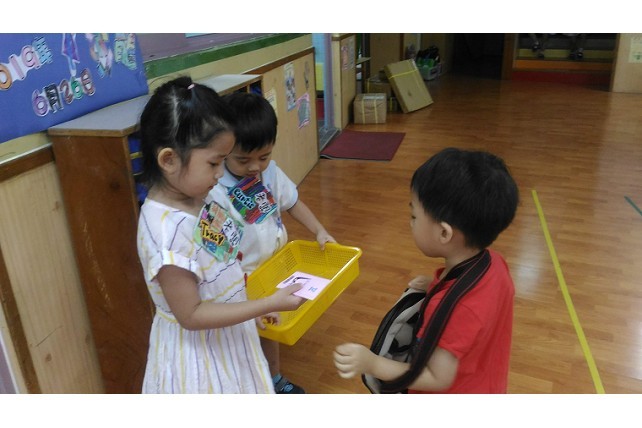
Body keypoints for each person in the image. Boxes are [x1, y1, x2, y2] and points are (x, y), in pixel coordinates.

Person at [136, 76, 305, 393]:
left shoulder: (198, 198)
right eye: (214, 163)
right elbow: (192, 314)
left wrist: (246, 307)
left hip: (227, 334)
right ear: (169, 159)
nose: (219, 174)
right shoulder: (166, 235)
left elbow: (220, 265)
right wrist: (263, 304)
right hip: (201, 357)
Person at [333, 147, 519, 393]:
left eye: (414, 216)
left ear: (444, 232)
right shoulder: (496, 263)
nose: (410, 223)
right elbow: (480, 312)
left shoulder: (454, 309)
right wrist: (437, 286)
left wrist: (372, 363)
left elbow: (437, 377)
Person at [210, 91, 337, 393]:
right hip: (240, 278)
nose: (255, 166)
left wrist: (319, 230)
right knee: (243, 334)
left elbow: (292, 202)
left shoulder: (271, 174)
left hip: (275, 265)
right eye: (243, 159)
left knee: (269, 328)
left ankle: (275, 379)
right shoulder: (215, 188)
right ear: (224, 150)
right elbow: (215, 246)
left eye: (264, 157)